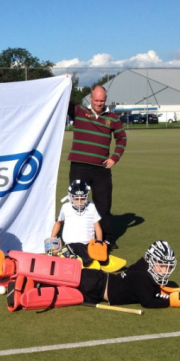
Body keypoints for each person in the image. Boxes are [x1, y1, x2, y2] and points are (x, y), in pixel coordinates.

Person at [67, 85, 127, 250]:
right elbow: (64, 101)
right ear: (90, 99)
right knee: (78, 203)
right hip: (79, 166)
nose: (99, 103)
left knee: (104, 204)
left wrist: (114, 157)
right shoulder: (79, 111)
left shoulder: (112, 118)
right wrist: (66, 83)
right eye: (96, 100)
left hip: (101, 169)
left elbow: (122, 138)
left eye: (102, 100)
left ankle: (107, 238)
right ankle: (77, 237)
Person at [79, 240, 179, 308]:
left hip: (97, 280)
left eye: (169, 267)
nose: (166, 270)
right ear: (152, 261)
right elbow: (147, 302)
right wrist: (170, 301)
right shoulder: (143, 276)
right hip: (95, 286)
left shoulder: (143, 265)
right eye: (162, 266)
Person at [50, 179, 103, 268]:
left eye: (82, 198)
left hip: (88, 244)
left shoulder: (91, 207)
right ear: (70, 197)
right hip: (70, 243)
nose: (79, 201)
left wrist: (99, 241)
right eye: (76, 198)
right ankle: (67, 255)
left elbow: (97, 226)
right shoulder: (65, 207)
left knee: (91, 259)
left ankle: (67, 256)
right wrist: (52, 238)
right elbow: (58, 223)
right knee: (51, 251)